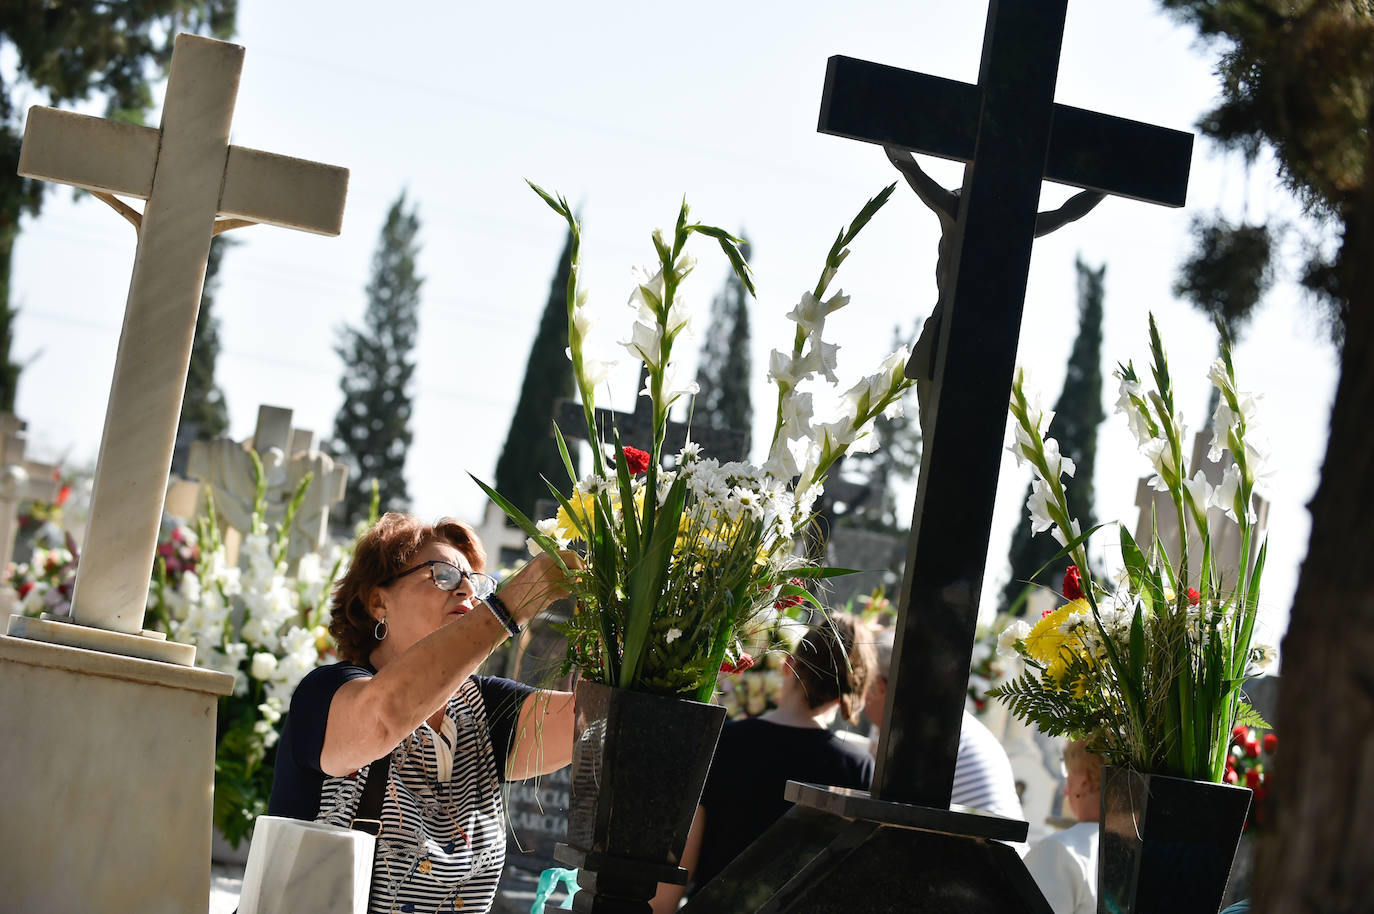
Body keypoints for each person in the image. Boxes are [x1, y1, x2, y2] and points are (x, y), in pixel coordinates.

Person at [267, 513, 578, 914]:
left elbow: (593, 723)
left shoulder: (485, 710)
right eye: (443, 575)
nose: (467, 587)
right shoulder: (327, 692)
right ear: (379, 601)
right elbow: (382, 720)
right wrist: (512, 605)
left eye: (475, 583)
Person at [651, 614, 875, 912]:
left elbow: (678, 867)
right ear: (850, 693)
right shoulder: (858, 768)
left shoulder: (723, 743)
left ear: (788, 666)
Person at [882, 145, 1105, 435]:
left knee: (944, 433)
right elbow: (1067, 213)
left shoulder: (959, 209)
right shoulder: (1011, 223)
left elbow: (913, 172)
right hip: (978, 337)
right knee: (949, 434)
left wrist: (889, 138)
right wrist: (1103, 188)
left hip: (961, 335)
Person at [865, 625, 1025, 822]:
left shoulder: (924, 731)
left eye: (864, 682)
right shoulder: (931, 718)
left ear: (881, 688)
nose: (862, 695)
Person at [1023, 740, 1104, 914]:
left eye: (1069, 779)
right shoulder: (1145, 852)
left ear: (1084, 782)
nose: (1065, 791)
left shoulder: (1060, 851)